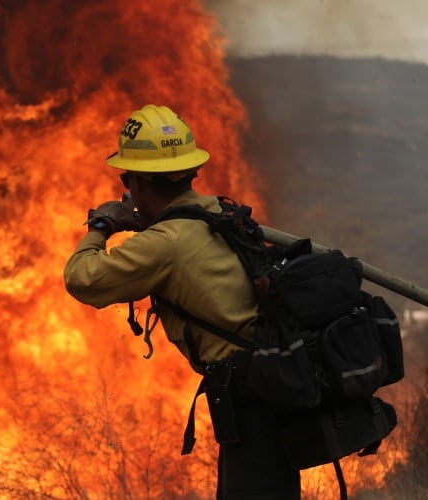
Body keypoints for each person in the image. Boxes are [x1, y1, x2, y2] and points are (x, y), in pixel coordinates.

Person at [64, 104, 301, 499]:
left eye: (127, 178)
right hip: (274, 380)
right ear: (189, 173)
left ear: (137, 181)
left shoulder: (165, 242)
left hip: (252, 394)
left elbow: (81, 279)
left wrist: (102, 225)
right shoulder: (220, 213)